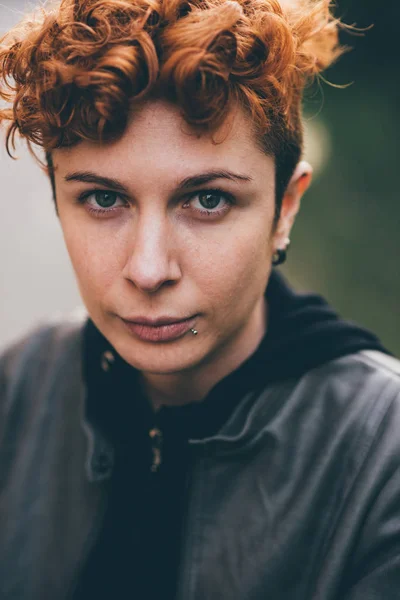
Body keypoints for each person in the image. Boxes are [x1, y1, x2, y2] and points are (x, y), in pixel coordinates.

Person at [0, 0, 399, 598]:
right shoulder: (22, 387)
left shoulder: (382, 456)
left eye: (207, 200)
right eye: (104, 200)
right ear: (58, 198)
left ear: (285, 207)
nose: (150, 269)